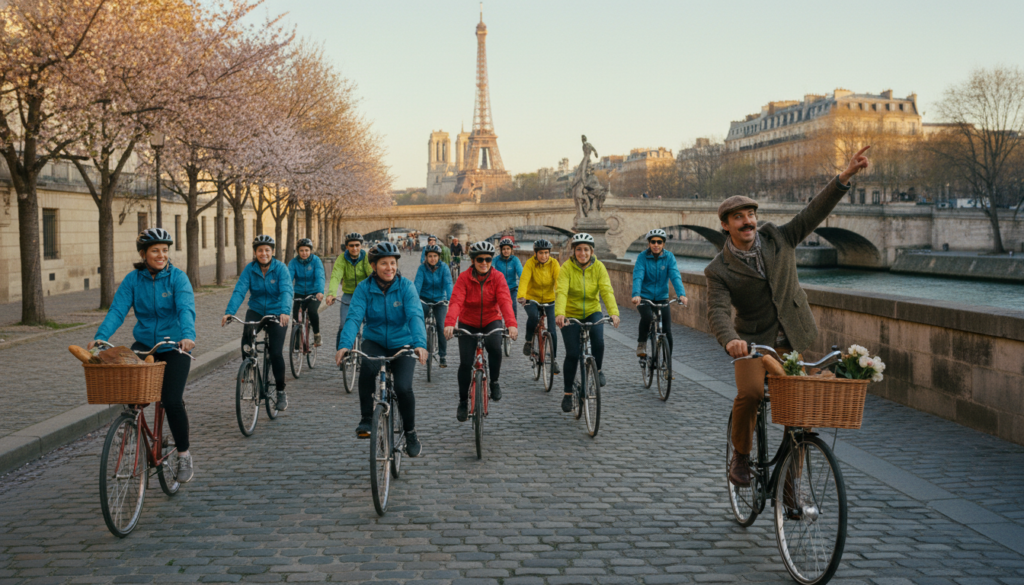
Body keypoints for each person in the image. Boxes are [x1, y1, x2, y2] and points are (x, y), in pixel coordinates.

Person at [708, 146, 871, 489]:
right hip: (754, 345)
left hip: (794, 338)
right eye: (738, 217)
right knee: (750, 395)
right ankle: (740, 455)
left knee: (805, 413)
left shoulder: (778, 238)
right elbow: (718, 311)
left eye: (750, 214)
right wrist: (731, 341)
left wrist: (844, 177)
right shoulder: (718, 270)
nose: (748, 220)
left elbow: (813, 213)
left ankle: (790, 483)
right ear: (726, 226)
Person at [90, 228, 197, 482]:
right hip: (144, 344)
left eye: (164, 250)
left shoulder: (178, 278)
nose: (161, 255)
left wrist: (188, 335)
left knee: (171, 400)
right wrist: (101, 336)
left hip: (175, 345)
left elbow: (185, 309)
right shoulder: (133, 280)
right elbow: (117, 310)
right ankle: (132, 431)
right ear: (143, 254)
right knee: (132, 396)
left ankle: (183, 455)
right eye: (155, 251)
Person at [335, 242, 428, 456]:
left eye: (393, 263)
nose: (389, 268)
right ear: (374, 266)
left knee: (404, 388)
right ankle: (367, 418)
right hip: (375, 340)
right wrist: (345, 345)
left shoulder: (406, 287)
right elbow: (354, 317)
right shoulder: (364, 289)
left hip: (402, 342)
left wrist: (420, 344)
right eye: (384, 264)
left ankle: (411, 432)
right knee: (367, 368)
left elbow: (415, 316)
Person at [444, 241, 518, 422]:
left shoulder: (498, 277)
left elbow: (505, 301)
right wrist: (450, 322)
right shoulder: (463, 278)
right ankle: (462, 402)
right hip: (468, 322)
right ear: (472, 261)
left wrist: (511, 323)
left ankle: (494, 382)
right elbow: (456, 302)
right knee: (465, 362)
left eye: (488, 259)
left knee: (495, 347)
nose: (484, 262)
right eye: (480, 259)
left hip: (491, 319)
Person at [222, 235, 293, 410]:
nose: (264, 253)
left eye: (267, 250)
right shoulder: (250, 269)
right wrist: (229, 312)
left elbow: (286, 290)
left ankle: (281, 391)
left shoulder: (281, 268)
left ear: (273, 252)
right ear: (255, 252)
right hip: (256, 310)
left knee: (276, 353)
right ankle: (251, 371)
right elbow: (240, 290)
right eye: (260, 250)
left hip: (277, 312)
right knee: (247, 342)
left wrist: (285, 311)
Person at [554, 233, 620, 413]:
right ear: (573, 251)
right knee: (573, 354)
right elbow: (562, 292)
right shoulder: (566, 268)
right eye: (578, 250)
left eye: (586, 250)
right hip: (570, 313)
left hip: (592, 310)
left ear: (591, 251)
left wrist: (613, 313)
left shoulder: (599, 267)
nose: (582, 253)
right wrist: (560, 313)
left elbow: (606, 290)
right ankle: (568, 393)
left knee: (598, 341)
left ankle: (597, 371)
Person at [631, 229, 687, 357]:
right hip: (645, 297)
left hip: (662, 297)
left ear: (663, 244)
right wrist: (636, 294)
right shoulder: (642, 257)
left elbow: (675, 276)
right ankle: (642, 343)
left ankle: (668, 363)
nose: (656, 244)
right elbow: (638, 276)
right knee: (647, 317)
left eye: (659, 242)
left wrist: (681, 294)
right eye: (653, 242)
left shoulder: (669, 257)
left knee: (667, 330)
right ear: (649, 244)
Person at [518, 238, 560, 374]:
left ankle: (554, 360)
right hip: (532, 298)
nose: (544, 256)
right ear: (535, 253)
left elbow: (559, 282)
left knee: (553, 330)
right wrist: (522, 295)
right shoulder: (530, 264)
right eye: (541, 253)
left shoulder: (554, 264)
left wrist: (561, 297)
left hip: (550, 299)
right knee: (534, 316)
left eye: (546, 253)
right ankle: (529, 341)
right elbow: (524, 280)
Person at [326, 232, 373, 347]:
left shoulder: (367, 257)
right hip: (348, 295)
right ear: (347, 247)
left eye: (357, 245)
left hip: (366, 295)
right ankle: (341, 354)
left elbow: (372, 275)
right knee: (344, 325)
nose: (354, 248)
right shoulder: (341, 259)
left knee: (371, 325)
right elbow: (336, 276)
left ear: (361, 246)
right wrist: (331, 293)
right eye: (351, 245)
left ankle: (369, 353)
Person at [414, 244, 453, 367]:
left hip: (440, 300)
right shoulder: (422, 269)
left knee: (441, 325)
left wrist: (451, 299)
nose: (432, 259)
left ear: (438, 257)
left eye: (435, 256)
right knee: (418, 322)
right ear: (426, 257)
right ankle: (419, 348)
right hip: (424, 299)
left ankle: (442, 355)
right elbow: (417, 286)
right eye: (430, 256)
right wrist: (414, 300)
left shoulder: (444, 268)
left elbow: (448, 283)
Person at [288, 238, 326, 346]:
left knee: (312, 311)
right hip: (299, 292)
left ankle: (317, 334)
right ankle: (296, 341)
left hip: (314, 292)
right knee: (295, 317)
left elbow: (320, 276)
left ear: (310, 251)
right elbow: (288, 279)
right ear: (297, 251)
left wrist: (319, 291)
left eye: (306, 250)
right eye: (301, 250)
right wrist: (286, 292)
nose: (304, 253)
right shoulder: (293, 262)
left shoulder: (316, 261)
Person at [493, 237, 523, 326]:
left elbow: (521, 274)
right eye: (504, 249)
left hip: (512, 289)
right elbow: (490, 272)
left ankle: (512, 327)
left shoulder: (515, 260)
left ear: (511, 250)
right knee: (495, 309)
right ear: (501, 250)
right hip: (498, 289)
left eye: (508, 249)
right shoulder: (496, 260)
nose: (506, 251)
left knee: (512, 308)